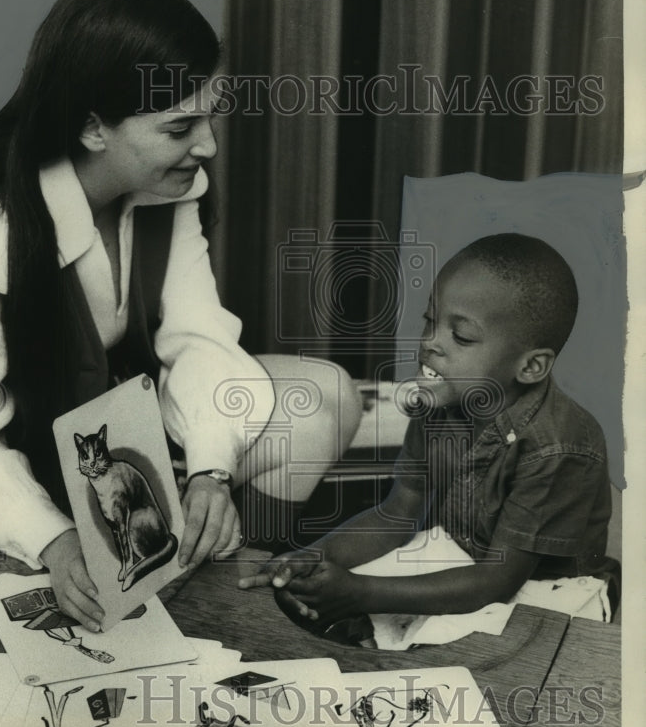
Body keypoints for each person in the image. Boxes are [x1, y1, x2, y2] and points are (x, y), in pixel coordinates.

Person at [0, 0, 361, 633]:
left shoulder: (166, 190)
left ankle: (235, 565)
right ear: (94, 129)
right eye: (180, 128)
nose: (205, 146)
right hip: (34, 474)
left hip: (129, 454)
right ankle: (82, 561)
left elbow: (200, 338)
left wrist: (209, 470)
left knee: (325, 399)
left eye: (208, 118)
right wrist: (56, 543)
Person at [240, 233, 619, 627]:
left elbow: (499, 580)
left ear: (530, 367)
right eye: (429, 321)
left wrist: (359, 592)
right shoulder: (438, 402)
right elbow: (396, 514)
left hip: (545, 593)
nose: (429, 343)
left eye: (462, 336)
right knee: (325, 613)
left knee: (453, 668)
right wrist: (315, 556)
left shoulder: (557, 449)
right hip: (460, 559)